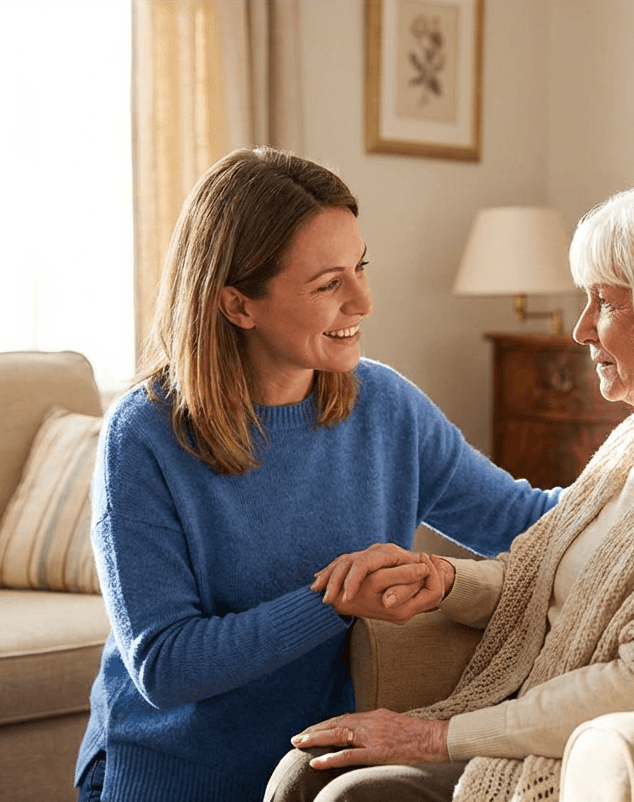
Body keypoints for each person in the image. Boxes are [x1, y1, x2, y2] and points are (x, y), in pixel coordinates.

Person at [265, 174, 634, 802]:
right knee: (306, 769)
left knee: (350, 794)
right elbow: (544, 576)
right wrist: (445, 579)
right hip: (549, 734)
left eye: (605, 302)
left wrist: (438, 736)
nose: (581, 330)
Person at [74, 147, 560, 802]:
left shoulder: (385, 406)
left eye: (360, 267)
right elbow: (164, 665)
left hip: (321, 775)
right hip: (174, 775)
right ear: (238, 305)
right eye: (329, 284)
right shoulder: (144, 434)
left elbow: (529, 523)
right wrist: (330, 603)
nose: (363, 300)